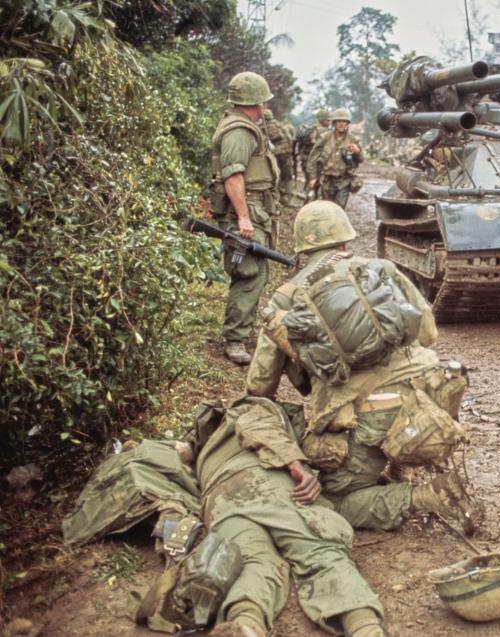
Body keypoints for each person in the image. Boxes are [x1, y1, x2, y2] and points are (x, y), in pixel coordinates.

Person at [245, 201, 481, 534]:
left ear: (301, 249)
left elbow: (259, 388)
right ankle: (400, 467)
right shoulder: (380, 269)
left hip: (371, 415)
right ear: (345, 242)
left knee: (329, 499)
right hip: (433, 395)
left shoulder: (284, 301)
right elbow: (428, 333)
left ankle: (424, 497)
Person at [196, 397, 386, 637]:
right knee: (317, 552)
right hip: (263, 484)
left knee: (252, 560)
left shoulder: (204, 454)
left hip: (220, 503)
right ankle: (364, 629)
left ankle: (246, 622)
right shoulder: (246, 409)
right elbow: (257, 424)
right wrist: (295, 464)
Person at [208, 71, 280, 366]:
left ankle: (241, 332)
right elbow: (233, 175)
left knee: (255, 273)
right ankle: (236, 340)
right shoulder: (240, 131)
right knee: (248, 274)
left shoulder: (245, 127)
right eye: (264, 102)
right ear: (257, 102)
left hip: (254, 209)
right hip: (247, 211)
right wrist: (244, 218)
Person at [306, 108, 363, 209]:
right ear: (334, 123)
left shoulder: (353, 139)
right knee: (326, 210)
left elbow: (361, 160)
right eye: (339, 121)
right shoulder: (325, 137)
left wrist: (357, 152)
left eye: (344, 122)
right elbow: (313, 158)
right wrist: (313, 177)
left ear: (348, 123)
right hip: (326, 181)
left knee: (339, 210)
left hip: (343, 181)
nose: (341, 124)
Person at [260, 108, 296, 208]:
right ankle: (288, 199)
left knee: (275, 176)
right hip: (287, 154)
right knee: (288, 177)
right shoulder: (280, 125)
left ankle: (276, 199)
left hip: (275, 155)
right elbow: (290, 138)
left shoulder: (263, 127)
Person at [296, 109, 330, 195]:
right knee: (317, 183)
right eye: (328, 120)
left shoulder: (311, 129)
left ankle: (307, 200)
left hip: (306, 160)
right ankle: (312, 201)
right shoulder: (324, 131)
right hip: (316, 161)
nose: (329, 122)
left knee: (309, 181)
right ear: (322, 120)